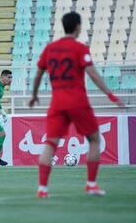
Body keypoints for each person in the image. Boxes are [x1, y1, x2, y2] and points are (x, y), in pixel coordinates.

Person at [28, 12, 124, 198]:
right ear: (78, 27)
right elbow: (93, 74)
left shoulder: (50, 48)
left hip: (57, 103)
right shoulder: (80, 48)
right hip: (78, 101)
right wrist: (110, 94)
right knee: (95, 140)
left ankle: (42, 189)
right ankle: (91, 184)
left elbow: (39, 73)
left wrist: (34, 95)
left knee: (50, 144)